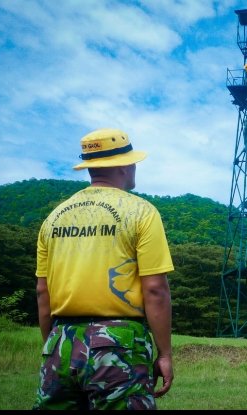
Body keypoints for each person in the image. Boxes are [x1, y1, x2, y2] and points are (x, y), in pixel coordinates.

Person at [34, 128, 175, 410]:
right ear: (123, 165)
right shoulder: (142, 212)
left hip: (60, 341)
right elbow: (155, 289)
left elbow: (42, 292)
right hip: (118, 344)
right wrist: (165, 353)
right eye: (133, 161)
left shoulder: (55, 217)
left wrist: (56, 344)